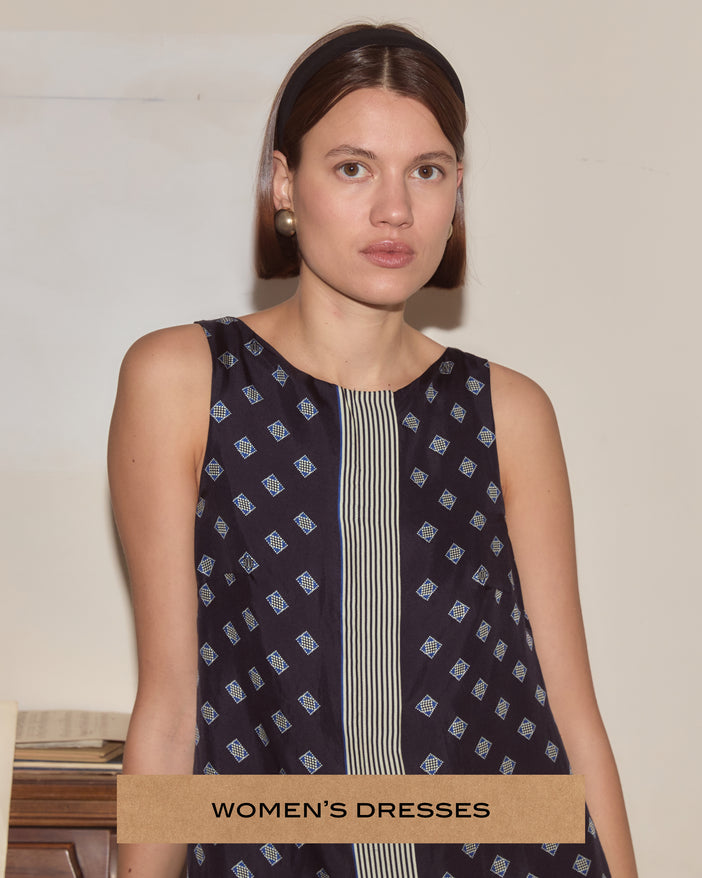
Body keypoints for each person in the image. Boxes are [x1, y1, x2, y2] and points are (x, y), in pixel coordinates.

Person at [108, 22, 638, 878]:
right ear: (284, 183)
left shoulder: (512, 411)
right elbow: (172, 713)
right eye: (353, 167)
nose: (395, 209)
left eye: (426, 172)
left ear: (457, 191)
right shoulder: (180, 380)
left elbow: (572, 713)